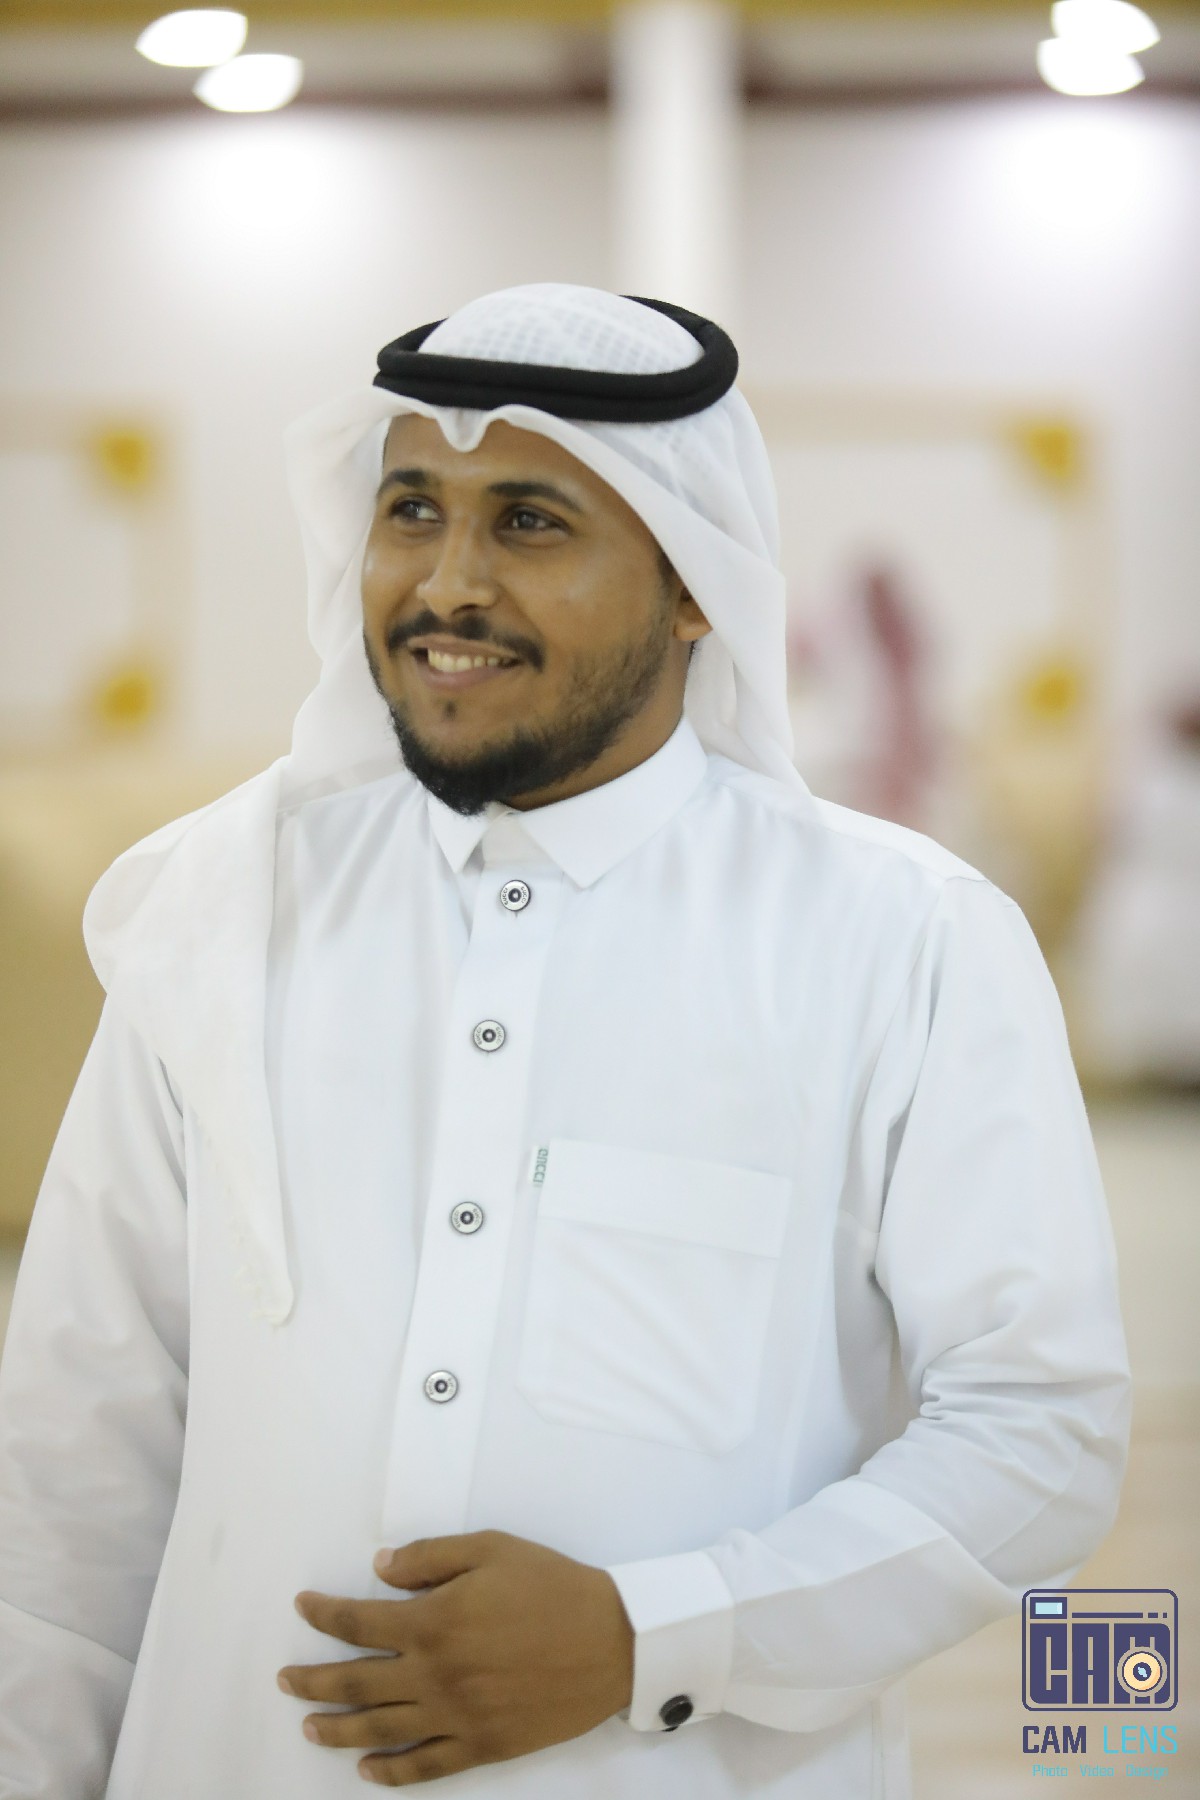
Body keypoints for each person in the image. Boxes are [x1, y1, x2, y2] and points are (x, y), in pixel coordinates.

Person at [0, 284, 1130, 1797]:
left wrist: (649, 1639)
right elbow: (73, 1465)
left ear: (694, 584)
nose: (447, 583)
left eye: (529, 522)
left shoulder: (903, 940)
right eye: (412, 509)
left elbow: (1039, 1429)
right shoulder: (219, 905)